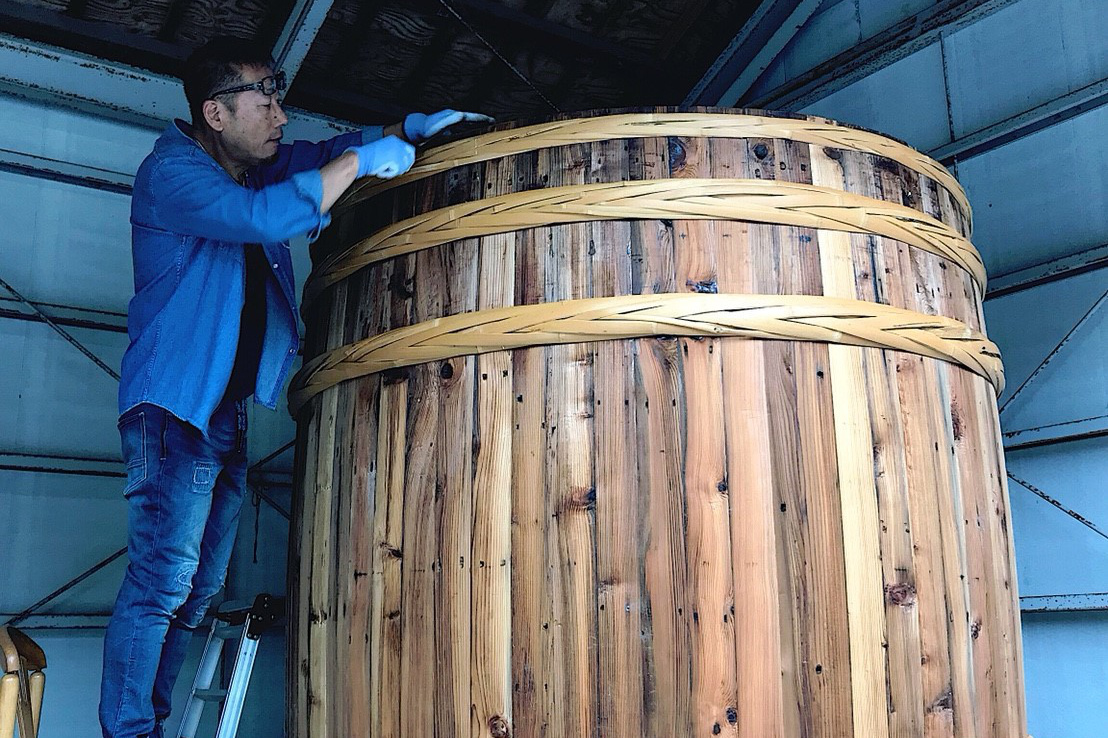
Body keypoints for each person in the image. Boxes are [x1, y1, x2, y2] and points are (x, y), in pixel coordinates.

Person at [99, 36, 491, 738]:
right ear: (216, 113)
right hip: (173, 410)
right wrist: (361, 164)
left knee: (196, 592)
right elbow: (266, 218)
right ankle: (128, 732)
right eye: (266, 103)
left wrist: (403, 131)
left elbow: (320, 153)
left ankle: (147, 725)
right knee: (161, 583)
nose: (281, 117)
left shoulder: (249, 168)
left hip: (220, 411)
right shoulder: (174, 173)